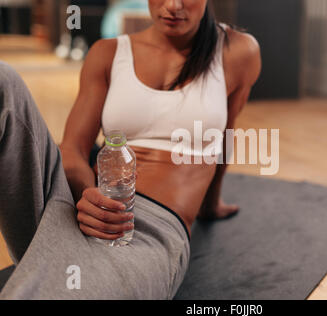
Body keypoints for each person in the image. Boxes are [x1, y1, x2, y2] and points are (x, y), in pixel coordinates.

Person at [0, 0, 261, 299]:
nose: (172, 5)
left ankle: (56, 257)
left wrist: (211, 204)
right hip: (78, 199)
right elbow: (72, 147)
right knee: (3, 80)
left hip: (146, 229)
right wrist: (89, 196)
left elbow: (224, 137)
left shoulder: (238, 51)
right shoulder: (108, 52)